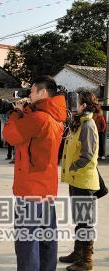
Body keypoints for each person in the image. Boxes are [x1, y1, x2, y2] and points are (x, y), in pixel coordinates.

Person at [3, 75, 67, 271]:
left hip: (30, 190)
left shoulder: (39, 118)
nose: (28, 95)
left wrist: (15, 114)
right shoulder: (55, 116)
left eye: (31, 91)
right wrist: (25, 111)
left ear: (43, 92)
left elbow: (10, 136)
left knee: (27, 243)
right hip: (46, 189)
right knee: (47, 238)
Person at [60, 91, 100, 271]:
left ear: (85, 105)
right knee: (80, 220)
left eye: (78, 102)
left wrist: (73, 167)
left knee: (85, 222)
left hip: (84, 181)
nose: (74, 105)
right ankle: (78, 253)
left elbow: (88, 155)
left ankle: (86, 261)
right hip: (76, 180)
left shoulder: (88, 125)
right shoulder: (78, 123)